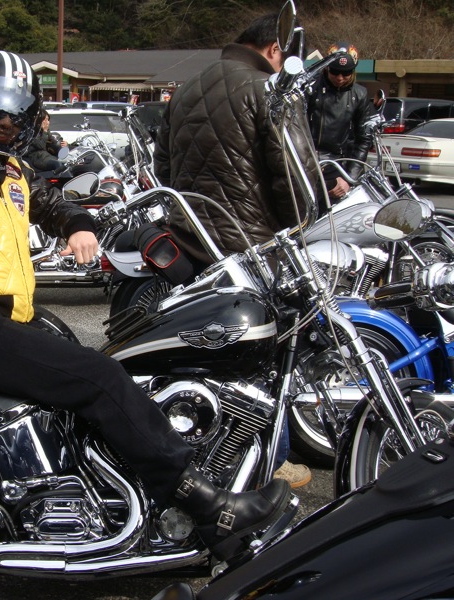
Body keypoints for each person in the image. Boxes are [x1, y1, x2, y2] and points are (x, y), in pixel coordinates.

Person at [0, 50, 292, 562]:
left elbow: (56, 207)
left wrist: (80, 225)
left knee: (101, 366)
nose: (0, 124)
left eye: (11, 115)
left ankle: (134, 504)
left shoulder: (14, 174)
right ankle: (205, 503)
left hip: (11, 319)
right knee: (100, 376)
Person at [153, 14, 317, 489]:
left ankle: (203, 446)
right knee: (267, 358)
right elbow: (295, 179)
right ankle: (271, 459)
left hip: (189, 240)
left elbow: (163, 167)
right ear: (274, 49)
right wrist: (300, 223)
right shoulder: (269, 90)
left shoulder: (187, 87)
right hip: (251, 246)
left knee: (203, 351)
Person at [307, 42, 375, 200]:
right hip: (307, 161)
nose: (340, 78)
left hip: (338, 165)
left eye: (346, 73)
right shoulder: (310, 88)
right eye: (335, 72)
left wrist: (349, 178)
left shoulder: (359, 94)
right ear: (327, 68)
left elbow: (363, 139)